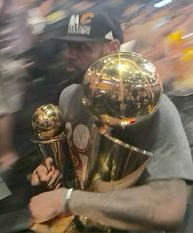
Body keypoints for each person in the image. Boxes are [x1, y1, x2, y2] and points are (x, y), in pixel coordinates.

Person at [29, 5, 193, 232]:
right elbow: (80, 167)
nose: (69, 54)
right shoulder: (70, 96)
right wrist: (52, 170)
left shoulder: (152, 109)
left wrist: (67, 200)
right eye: (69, 46)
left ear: (112, 48)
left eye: (82, 47)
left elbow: (169, 207)